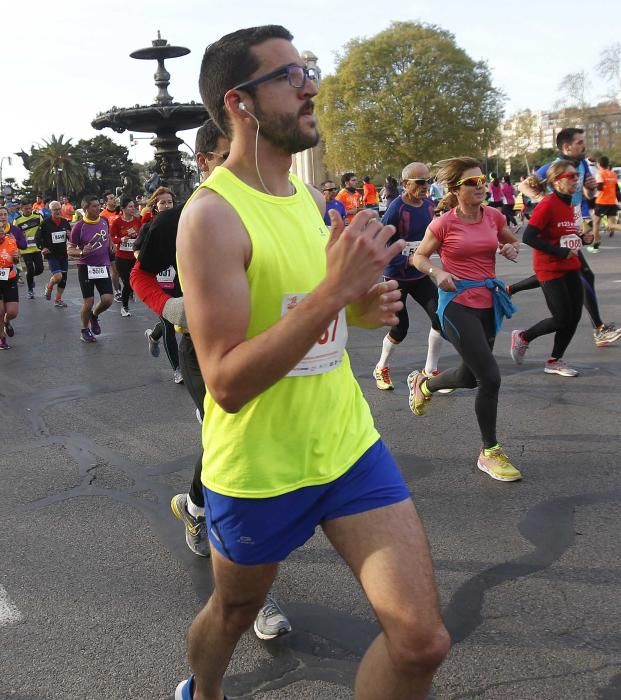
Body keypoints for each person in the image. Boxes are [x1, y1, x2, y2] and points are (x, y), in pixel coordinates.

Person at [174, 24, 449, 700]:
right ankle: (201, 691)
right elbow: (227, 382)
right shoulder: (210, 218)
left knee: (421, 643)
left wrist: (358, 304)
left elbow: (310, 314)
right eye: (290, 76)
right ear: (240, 103)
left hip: (348, 446)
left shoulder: (308, 197)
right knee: (235, 613)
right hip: (261, 469)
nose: (311, 87)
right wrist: (333, 291)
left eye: (308, 70)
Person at [131, 119, 292, 641]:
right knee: (239, 455)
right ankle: (256, 599)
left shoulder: (274, 207)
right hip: (205, 352)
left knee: (240, 448)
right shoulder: (180, 218)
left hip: (268, 349)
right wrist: (171, 307)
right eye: (228, 155)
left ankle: (194, 506)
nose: (244, 164)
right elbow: (138, 274)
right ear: (203, 161)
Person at [411, 157, 522, 482]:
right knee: (490, 377)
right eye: (473, 182)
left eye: (482, 180)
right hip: (456, 303)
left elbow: (508, 240)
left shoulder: (493, 216)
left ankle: (425, 383)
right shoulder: (443, 223)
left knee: (471, 377)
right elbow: (419, 256)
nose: (481, 186)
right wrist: (437, 271)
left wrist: (509, 248)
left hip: (488, 301)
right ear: (456, 189)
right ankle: (490, 452)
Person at [515, 128, 619, 348]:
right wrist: (545, 198)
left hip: (574, 223)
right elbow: (523, 185)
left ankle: (510, 290)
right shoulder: (554, 167)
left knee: (570, 273)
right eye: (579, 142)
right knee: (580, 274)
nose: (584, 145)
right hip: (558, 226)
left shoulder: (581, 164)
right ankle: (598, 329)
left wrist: (590, 191)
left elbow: (586, 196)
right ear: (566, 147)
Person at [373, 162, 448, 392]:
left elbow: (433, 236)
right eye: (421, 182)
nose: (427, 186)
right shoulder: (396, 210)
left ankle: (429, 372)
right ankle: (381, 367)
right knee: (400, 329)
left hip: (419, 275)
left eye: (429, 181)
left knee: (440, 318)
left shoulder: (428, 205)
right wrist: (407, 259)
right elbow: (381, 247)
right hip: (396, 278)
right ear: (406, 184)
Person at [510, 161, 587, 377]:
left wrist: (583, 238)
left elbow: (566, 234)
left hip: (572, 266)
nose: (576, 179)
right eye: (570, 176)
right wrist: (560, 252)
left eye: (576, 176)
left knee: (574, 316)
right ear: (556, 181)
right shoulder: (547, 204)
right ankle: (524, 337)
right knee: (561, 318)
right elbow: (529, 237)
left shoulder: (570, 204)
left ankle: (554, 360)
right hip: (550, 269)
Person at [137, 187, 181, 382]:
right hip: (159, 282)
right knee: (169, 325)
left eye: (169, 202)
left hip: (178, 279)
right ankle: (177, 369)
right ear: (154, 206)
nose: (166, 205)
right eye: (162, 202)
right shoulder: (149, 227)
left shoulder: (180, 223)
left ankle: (154, 335)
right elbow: (137, 251)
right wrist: (148, 264)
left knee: (177, 320)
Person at [67, 195, 113, 343]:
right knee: (89, 302)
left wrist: (111, 246)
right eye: (94, 206)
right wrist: (81, 252)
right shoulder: (79, 227)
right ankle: (84, 329)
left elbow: (108, 236)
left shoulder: (104, 220)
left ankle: (94, 315)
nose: (98, 208)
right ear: (86, 209)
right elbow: (70, 249)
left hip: (102, 265)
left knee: (107, 300)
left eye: (98, 205)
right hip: (86, 267)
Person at [110, 195, 141, 317]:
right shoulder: (117, 222)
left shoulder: (137, 220)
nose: (133, 208)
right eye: (130, 206)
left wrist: (139, 239)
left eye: (134, 206)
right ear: (123, 208)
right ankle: (124, 307)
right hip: (121, 257)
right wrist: (121, 239)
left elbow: (142, 234)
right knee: (127, 283)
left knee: (133, 281)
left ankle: (129, 292)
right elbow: (112, 238)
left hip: (134, 256)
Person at [38, 200, 71, 307]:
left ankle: (58, 299)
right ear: (50, 210)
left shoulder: (65, 222)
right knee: (58, 277)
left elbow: (71, 237)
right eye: (54, 209)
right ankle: (49, 286)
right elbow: (37, 238)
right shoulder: (45, 223)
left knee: (63, 278)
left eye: (58, 209)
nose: (57, 211)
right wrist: (42, 248)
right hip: (51, 254)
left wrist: (69, 235)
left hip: (63, 253)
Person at [0, 207, 25, 348]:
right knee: (0, 311)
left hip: (9, 277)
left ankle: (7, 321)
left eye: (2, 232)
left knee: (12, 312)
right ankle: (2, 338)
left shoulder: (10, 241)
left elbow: (16, 260)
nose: (1, 235)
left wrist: (16, 258)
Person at [589, 155, 621, 251]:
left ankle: (596, 244)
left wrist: (592, 186)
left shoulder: (600, 174)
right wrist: (619, 201)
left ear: (599, 164)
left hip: (602, 202)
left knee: (596, 223)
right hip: (612, 202)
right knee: (611, 225)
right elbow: (617, 190)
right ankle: (596, 244)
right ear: (607, 164)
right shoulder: (613, 174)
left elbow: (600, 187)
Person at [14, 199, 44, 299]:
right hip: (25, 250)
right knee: (30, 267)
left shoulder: (38, 216)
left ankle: (29, 276)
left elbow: (44, 230)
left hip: (37, 248)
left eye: (29, 208)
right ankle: (30, 289)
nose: (28, 210)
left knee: (40, 269)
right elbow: (14, 235)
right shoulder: (17, 220)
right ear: (21, 209)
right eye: (25, 209)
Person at [100, 191, 121, 301]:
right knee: (115, 270)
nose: (114, 199)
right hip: (110, 246)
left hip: (123, 245)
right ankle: (117, 291)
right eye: (111, 198)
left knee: (125, 269)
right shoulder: (103, 215)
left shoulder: (121, 212)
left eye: (114, 197)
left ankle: (127, 289)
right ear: (106, 202)